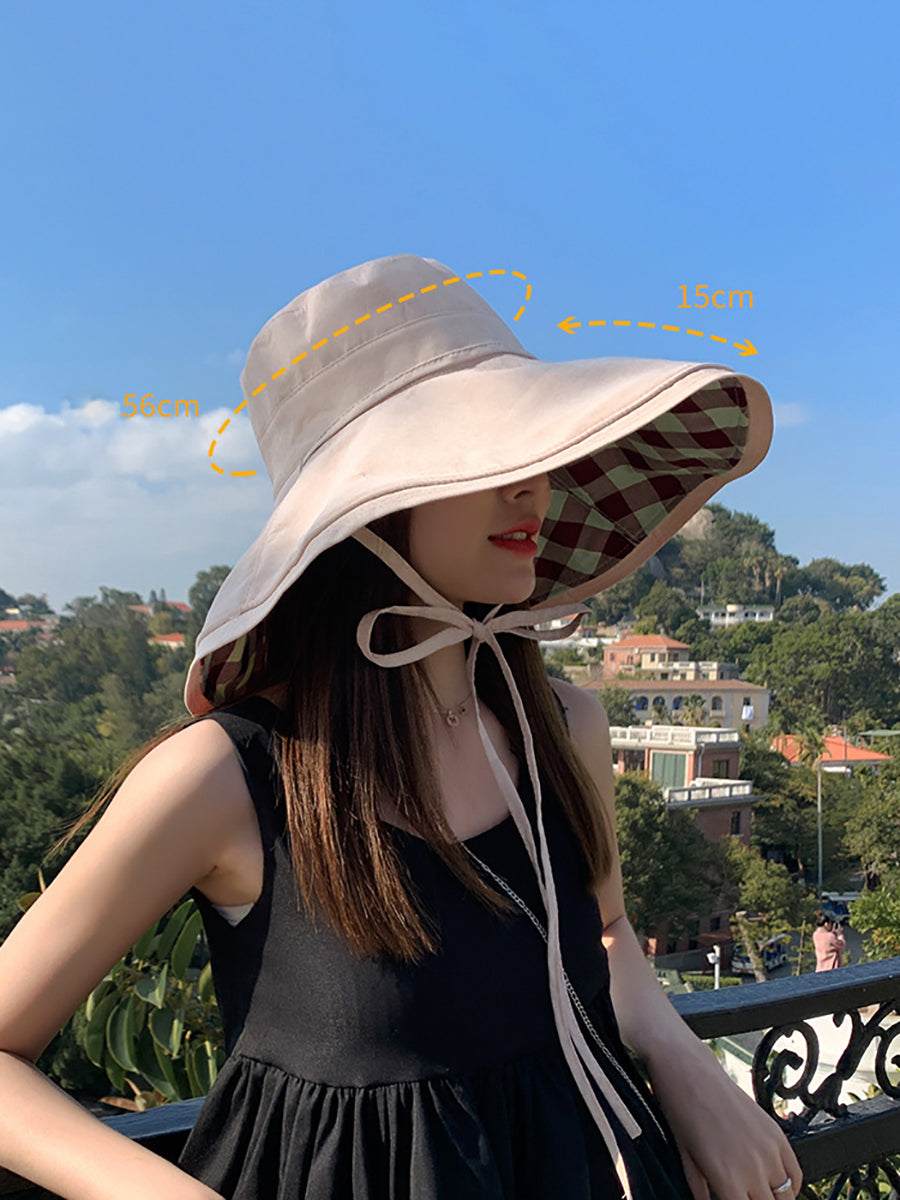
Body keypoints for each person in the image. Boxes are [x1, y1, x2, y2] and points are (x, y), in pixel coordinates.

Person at [0, 254, 803, 1200]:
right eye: (480, 457)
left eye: (534, 450)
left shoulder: (563, 729)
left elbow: (606, 930)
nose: (533, 487)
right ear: (360, 510)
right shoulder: (226, 780)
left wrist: (681, 1059)